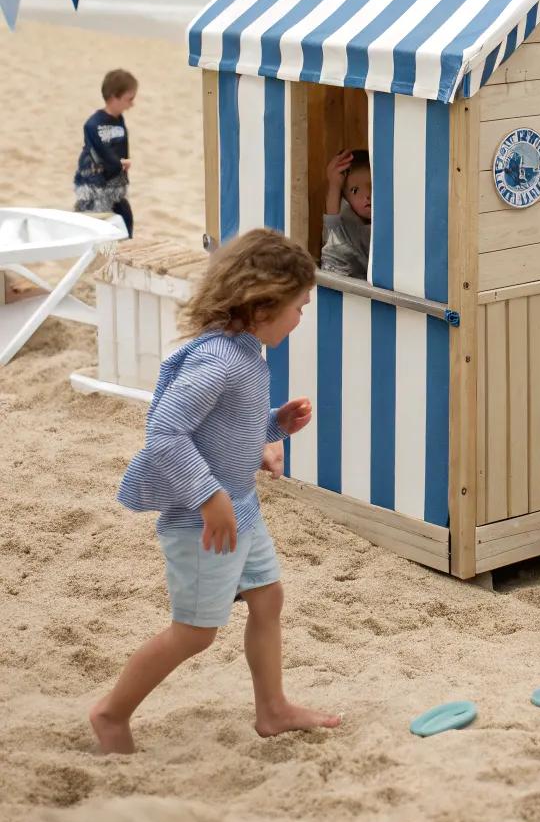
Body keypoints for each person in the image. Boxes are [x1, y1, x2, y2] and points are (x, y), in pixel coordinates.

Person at [89, 229, 340, 753]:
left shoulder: (245, 352)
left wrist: (271, 427)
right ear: (264, 303)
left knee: (268, 598)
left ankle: (272, 709)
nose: (301, 318)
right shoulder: (220, 361)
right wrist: (209, 497)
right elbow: (165, 432)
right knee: (195, 633)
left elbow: (223, 426)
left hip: (240, 510)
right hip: (202, 523)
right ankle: (111, 714)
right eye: (299, 307)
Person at [73, 68, 138, 238]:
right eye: (129, 99)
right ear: (113, 97)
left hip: (115, 184)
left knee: (125, 219)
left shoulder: (119, 120)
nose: (132, 104)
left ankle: (121, 254)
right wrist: (119, 164)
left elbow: (122, 147)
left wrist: (124, 167)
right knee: (98, 229)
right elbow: (102, 152)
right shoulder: (93, 124)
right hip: (94, 185)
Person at [321, 149, 371, 278]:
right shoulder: (350, 226)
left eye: (372, 187)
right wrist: (334, 185)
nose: (367, 196)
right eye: (355, 190)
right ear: (346, 199)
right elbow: (333, 224)